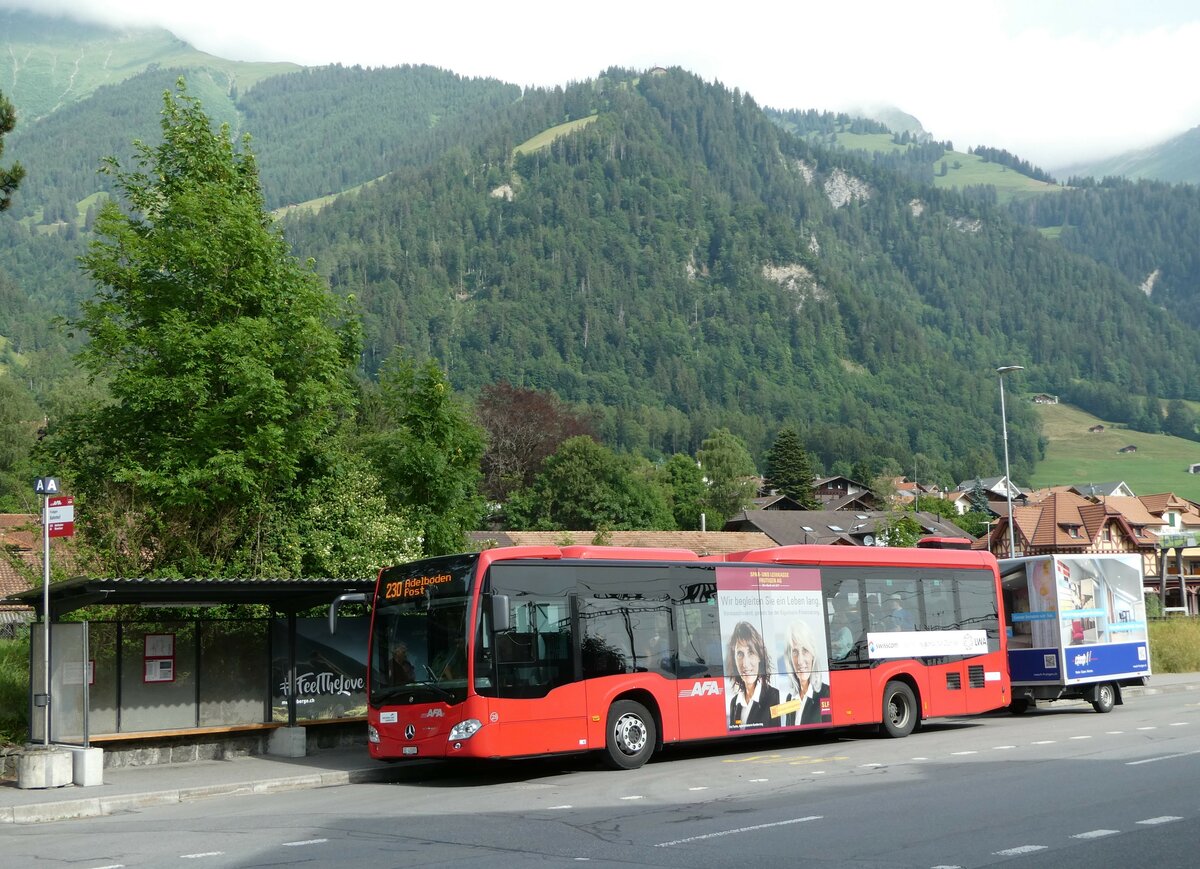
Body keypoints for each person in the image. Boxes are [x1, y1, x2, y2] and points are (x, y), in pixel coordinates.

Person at [725, 620, 781, 729]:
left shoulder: (774, 698)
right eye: (740, 654)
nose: (745, 663)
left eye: (751, 653)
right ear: (734, 660)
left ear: (759, 656)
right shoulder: (734, 703)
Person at [779, 620, 832, 726]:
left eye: (805, 651)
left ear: (813, 654)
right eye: (795, 652)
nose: (800, 661)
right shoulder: (790, 698)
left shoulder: (826, 693)